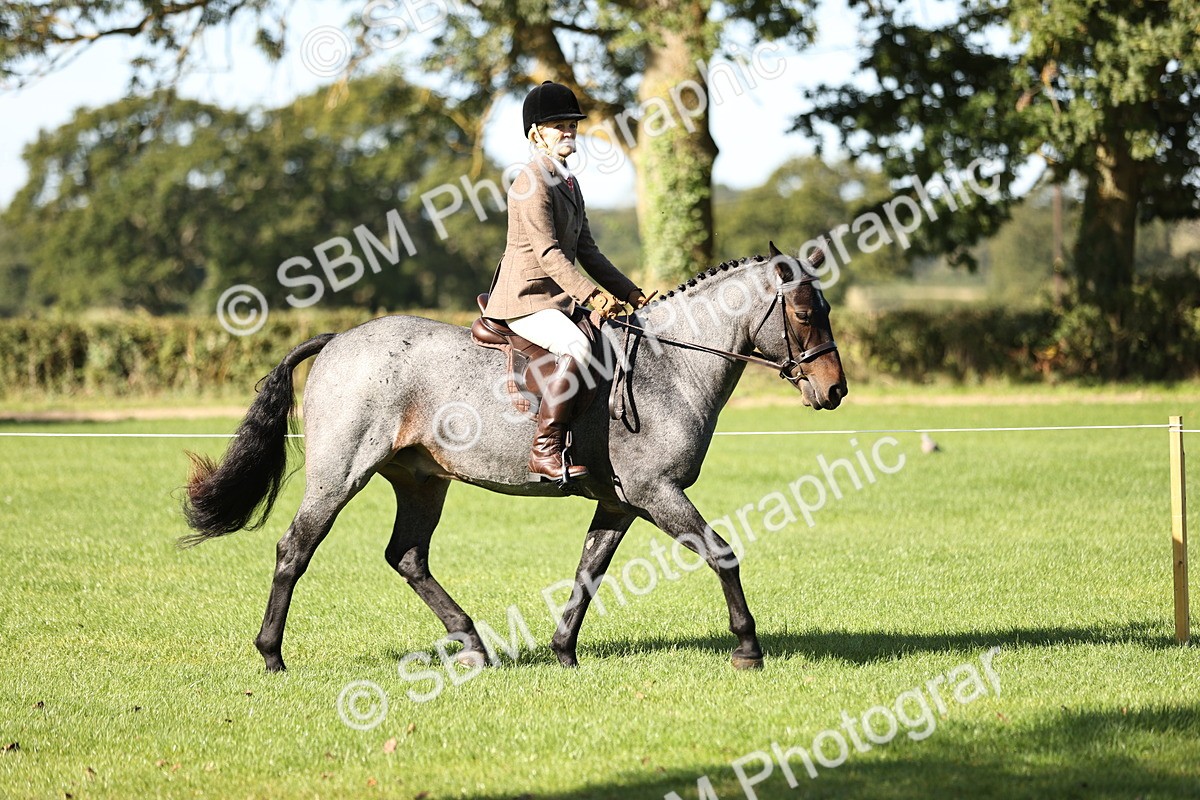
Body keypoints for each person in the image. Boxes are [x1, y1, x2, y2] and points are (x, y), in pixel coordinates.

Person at [483, 81, 649, 484]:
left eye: (572, 125)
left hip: (554, 299)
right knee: (577, 344)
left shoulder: (568, 182)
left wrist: (631, 292)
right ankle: (545, 449)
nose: (570, 132)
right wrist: (593, 295)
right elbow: (548, 253)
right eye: (559, 125)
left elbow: (588, 251)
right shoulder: (530, 181)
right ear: (536, 132)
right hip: (525, 299)